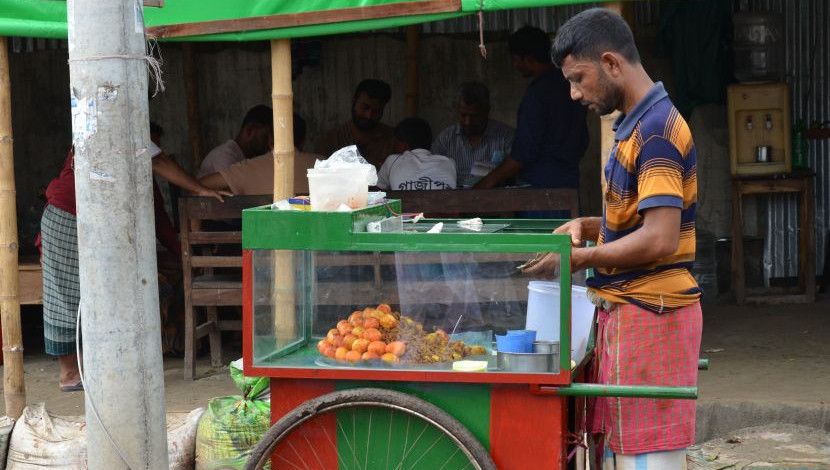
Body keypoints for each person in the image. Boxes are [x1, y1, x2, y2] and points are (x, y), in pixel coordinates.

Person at [525, 9, 702, 468]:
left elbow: (660, 239)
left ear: (611, 63)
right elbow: (641, 222)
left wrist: (582, 259)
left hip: (652, 313)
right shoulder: (635, 125)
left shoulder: (656, 130)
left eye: (579, 78)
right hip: (635, 313)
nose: (574, 93)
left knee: (647, 460)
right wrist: (590, 226)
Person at [40, 139, 228, 392]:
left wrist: (185, 253)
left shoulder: (139, 178)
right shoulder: (112, 126)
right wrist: (198, 188)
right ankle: (70, 372)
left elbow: (159, 220)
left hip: (93, 221)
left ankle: (93, 366)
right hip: (68, 214)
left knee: (103, 295)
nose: (156, 154)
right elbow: (159, 160)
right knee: (68, 295)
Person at [475, 26, 588, 193]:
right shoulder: (569, 86)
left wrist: (488, 182)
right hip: (569, 183)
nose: (514, 65)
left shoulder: (537, 94)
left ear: (527, 59)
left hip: (539, 188)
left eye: (515, 59)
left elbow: (523, 153)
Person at [199, 114, 322, 195]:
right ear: (303, 141)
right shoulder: (326, 165)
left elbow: (198, 186)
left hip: (264, 234)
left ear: (270, 139)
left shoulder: (247, 168)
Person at [432, 82, 514, 188]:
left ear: (487, 111)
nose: (468, 122)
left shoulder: (506, 137)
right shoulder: (446, 139)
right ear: (458, 110)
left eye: (474, 116)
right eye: (463, 115)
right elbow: (432, 174)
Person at [316, 79, 395, 168]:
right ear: (354, 102)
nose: (369, 116)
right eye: (365, 108)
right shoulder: (331, 140)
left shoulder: (392, 140)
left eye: (376, 111)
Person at [376, 118, 456, 191]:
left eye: (395, 142)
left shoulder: (392, 160)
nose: (393, 145)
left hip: (405, 206)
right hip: (442, 206)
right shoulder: (449, 162)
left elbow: (376, 189)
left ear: (404, 144)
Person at [196, 105, 273, 177]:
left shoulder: (244, 159)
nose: (269, 147)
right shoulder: (225, 156)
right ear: (249, 130)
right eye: (265, 137)